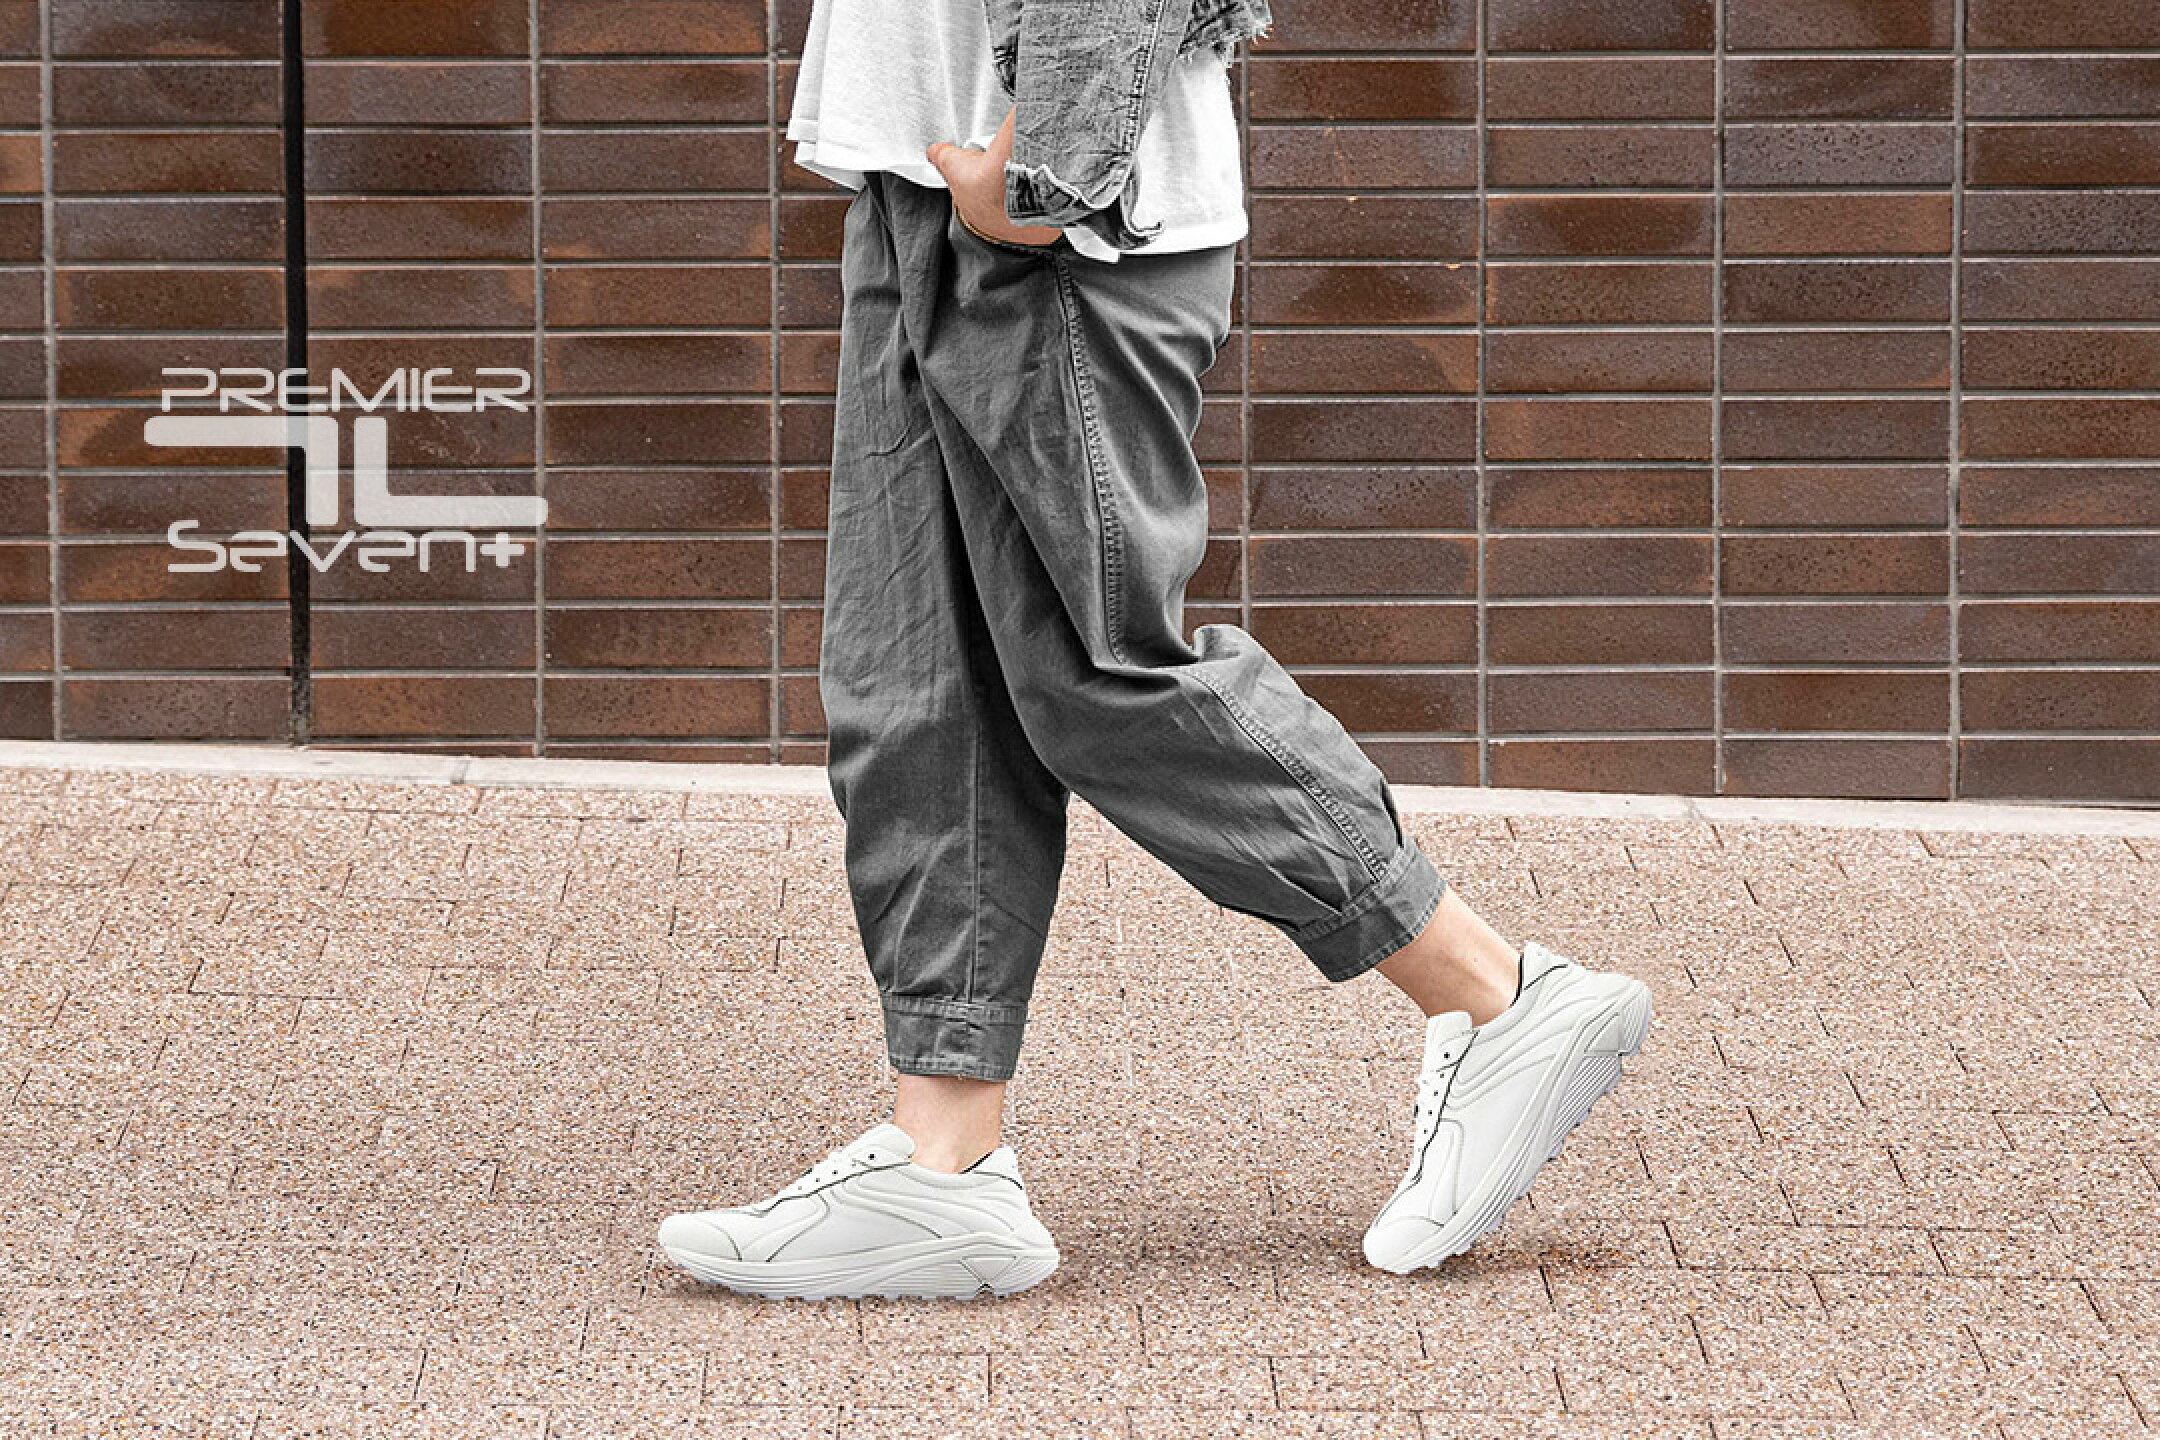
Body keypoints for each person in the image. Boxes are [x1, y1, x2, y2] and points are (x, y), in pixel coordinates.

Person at [658, 0, 1652, 1299]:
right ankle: (942, 1161)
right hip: (925, 194)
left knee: (1100, 669)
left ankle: (1494, 992)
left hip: (1058, 232)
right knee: (920, 690)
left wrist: (1047, 166)